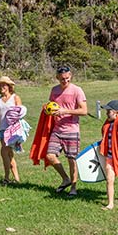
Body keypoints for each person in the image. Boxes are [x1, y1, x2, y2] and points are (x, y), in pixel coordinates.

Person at [46, 66, 87, 196]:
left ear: (71, 76)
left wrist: (66, 111)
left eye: (67, 78)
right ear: (57, 77)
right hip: (57, 130)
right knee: (49, 156)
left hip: (71, 130)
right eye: (62, 79)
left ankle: (73, 188)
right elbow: (51, 106)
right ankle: (65, 179)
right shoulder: (54, 90)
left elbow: (84, 111)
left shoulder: (77, 90)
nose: (65, 81)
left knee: (72, 159)